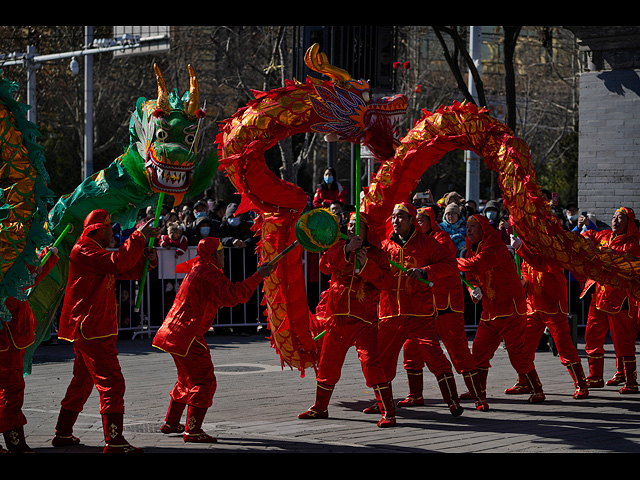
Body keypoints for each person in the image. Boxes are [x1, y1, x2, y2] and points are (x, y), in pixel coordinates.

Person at [51, 209, 159, 453]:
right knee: (112, 382)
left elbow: (125, 269)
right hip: (91, 327)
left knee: (82, 382)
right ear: (98, 229)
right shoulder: (84, 249)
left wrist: (146, 259)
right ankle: (114, 440)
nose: (113, 232)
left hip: (94, 326)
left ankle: (63, 433)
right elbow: (117, 262)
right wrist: (138, 238)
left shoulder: (94, 250)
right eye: (110, 228)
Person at [152, 237, 273, 442]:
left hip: (176, 332)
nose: (224, 255)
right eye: (221, 252)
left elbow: (222, 297)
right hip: (188, 334)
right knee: (204, 380)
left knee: (186, 380)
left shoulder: (200, 268)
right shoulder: (208, 272)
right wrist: (258, 276)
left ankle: (172, 423)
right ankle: (193, 430)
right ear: (214, 254)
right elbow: (234, 296)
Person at [366, 202, 466, 417]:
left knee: (435, 357)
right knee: (381, 361)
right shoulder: (385, 247)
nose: (395, 220)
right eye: (393, 216)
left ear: (412, 220)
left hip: (420, 314)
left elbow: (449, 265)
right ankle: (382, 403)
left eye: (401, 216)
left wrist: (424, 271)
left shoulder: (428, 243)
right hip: (390, 314)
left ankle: (453, 402)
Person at [298, 211, 397, 427]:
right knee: (328, 364)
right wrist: (346, 250)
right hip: (337, 317)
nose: (352, 228)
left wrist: (367, 266)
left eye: (357, 225)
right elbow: (323, 265)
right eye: (350, 224)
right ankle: (320, 407)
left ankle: (388, 411)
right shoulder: (338, 246)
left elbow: (387, 282)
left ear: (367, 230)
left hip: (365, 320)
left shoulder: (378, 254)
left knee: (371, 363)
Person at [404, 206, 489, 411]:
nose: (417, 224)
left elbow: (446, 266)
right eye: (415, 220)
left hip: (446, 303)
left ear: (431, 221)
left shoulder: (440, 239)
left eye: (421, 220)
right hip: (423, 306)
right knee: (411, 348)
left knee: (457, 349)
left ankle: (479, 397)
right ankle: (415, 395)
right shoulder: (413, 242)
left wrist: (423, 271)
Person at [457, 214, 545, 404]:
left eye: (473, 226)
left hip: (511, 309)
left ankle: (536, 389)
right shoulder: (471, 251)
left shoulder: (493, 245)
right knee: (479, 352)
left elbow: (478, 264)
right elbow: (471, 278)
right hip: (489, 311)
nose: (469, 230)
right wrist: (473, 290)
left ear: (483, 229)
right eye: (468, 226)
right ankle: (478, 391)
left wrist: (449, 263)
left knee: (517, 353)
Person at [509, 233, 589, 399]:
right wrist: (523, 281)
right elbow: (526, 270)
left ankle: (581, 384)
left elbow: (542, 265)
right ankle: (524, 381)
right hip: (533, 304)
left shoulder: (553, 248)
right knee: (523, 345)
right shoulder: (527, 249)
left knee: (564, 346)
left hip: (553, 305)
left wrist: (521, 249)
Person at [0, 246, 58, 453]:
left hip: (9, 329)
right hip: (8, 332)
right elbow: (26, 277)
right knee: (11, 387)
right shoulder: (7, 246)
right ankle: (15, 441)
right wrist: (47, 258)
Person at [580, 207, 640, 393]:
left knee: (623, 340)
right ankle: (595, 377)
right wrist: (584, 232)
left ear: (629, 223)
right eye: (614, 217)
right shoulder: (604, 235)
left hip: (619, 299)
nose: (615, 221)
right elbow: (588, 235)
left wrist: (609, 256)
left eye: (620, 218)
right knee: (592, 337)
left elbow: (628, 265)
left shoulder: (632, 244)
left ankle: (630, 381)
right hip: (597, 295)